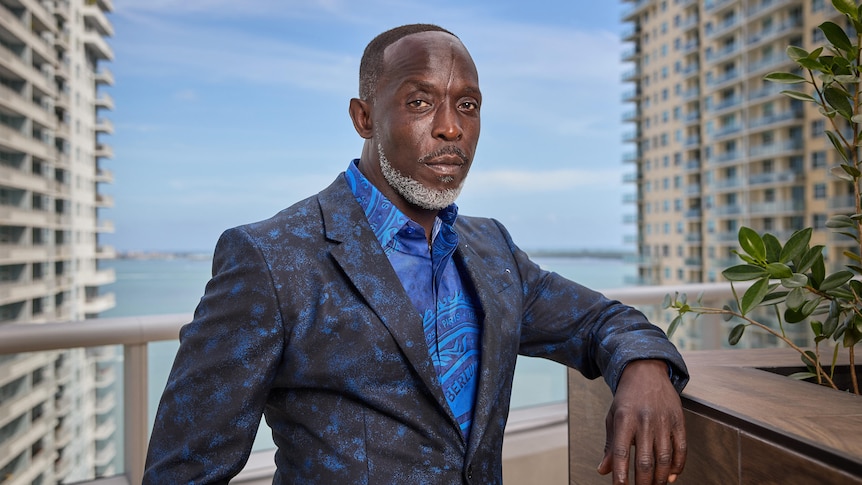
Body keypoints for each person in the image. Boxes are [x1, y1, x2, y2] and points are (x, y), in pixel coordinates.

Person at [144, 23, 689, 485]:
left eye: (467, 106)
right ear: (363, 118)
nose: (451, 127)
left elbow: (600, 321)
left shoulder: (491, 249)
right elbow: (182, 470)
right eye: (420, 102)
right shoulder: (271, 259)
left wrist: (644, 366)